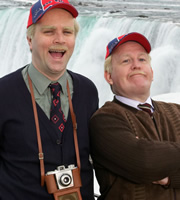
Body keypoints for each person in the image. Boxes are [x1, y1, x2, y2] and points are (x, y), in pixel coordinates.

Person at [0, 0, 98, 200]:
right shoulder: (3, 93)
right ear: (29, 40)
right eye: (49, 31)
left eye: (67, 32)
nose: (60, 39)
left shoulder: (88, 90)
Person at [89, 32, 180, 200]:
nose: (136, 65)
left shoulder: (177, 111)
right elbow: (145, 161)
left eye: (142, 59)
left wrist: (169, 178)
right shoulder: (103, 121)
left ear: (151, 72)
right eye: (126, 61)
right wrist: (151, 157)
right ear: (109, 76)